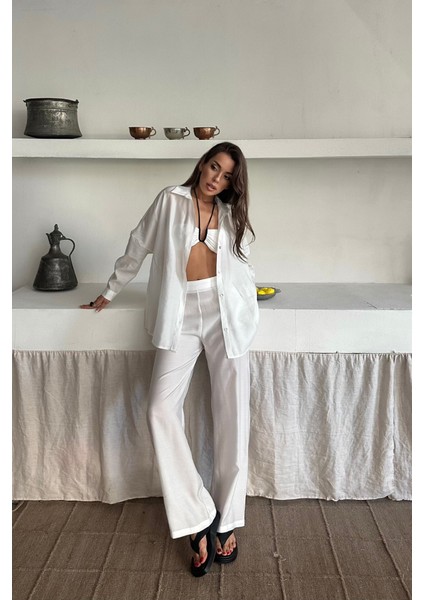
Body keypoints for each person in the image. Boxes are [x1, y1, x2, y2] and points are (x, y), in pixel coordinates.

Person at [81, 142, 259, 577]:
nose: (215, 178)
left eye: (226, 175)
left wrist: (246, 305)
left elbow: (242, 266)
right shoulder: (170, 200)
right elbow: (138, 244)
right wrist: (110, 290)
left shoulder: (230, 215)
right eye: (213, 167)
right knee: (159, 409)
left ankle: (228, 519)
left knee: (233, 416)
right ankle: (197, 515)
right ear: (202, 163)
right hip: (181, 316)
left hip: (225, 315)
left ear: (233, 183)